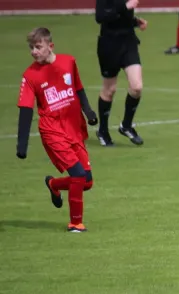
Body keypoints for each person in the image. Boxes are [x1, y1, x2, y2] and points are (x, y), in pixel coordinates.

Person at [16, 28, 98, 232]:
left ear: (50, 46)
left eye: (38, 47)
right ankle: (75, 223)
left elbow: (78, 88)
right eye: (31, 48)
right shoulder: (29, 75)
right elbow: (26, 109)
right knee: (78, 174)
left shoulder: (68, 61)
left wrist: (88, 111)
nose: (34, 52)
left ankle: (54, 184)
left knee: (86, 182)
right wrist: (22, 143)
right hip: (52, 131)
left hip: (73, 128)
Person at [95, 0, 148, 146]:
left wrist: (136, 22)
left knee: (136, 87)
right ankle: (103, 131)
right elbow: (100, 17)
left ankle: (126, 126)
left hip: (128, 42)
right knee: (109, 89)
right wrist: (125, 7)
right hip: (109, 44)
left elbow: (123, 17)